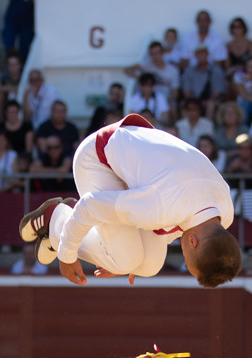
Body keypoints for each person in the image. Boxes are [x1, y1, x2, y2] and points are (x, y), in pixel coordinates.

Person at [19, 113, 239, 288]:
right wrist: (66, 254)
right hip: (97, 159)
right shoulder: (159, 206)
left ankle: (88, 241)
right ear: (193, 242)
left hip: (139, 160)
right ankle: (56, 218)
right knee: (125, 259)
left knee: (150, 265)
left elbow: (173, 220)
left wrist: (116, 255)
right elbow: (90, 205)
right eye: (186, 258)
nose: (184, 256)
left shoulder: (223, 213)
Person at [180, 44, 226, 118]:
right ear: (195, 55)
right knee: (184, 103)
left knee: (211, 104)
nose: (201, 55)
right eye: (199, 53)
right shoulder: (189, 71)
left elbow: (217, 93)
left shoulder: (216, 71)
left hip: (210, 100)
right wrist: (195, 103)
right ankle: (184, 128)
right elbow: (187, 91)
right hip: (193, 100)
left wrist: (205, 102)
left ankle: (208, 127)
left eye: (203, 53)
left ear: (208, 54)